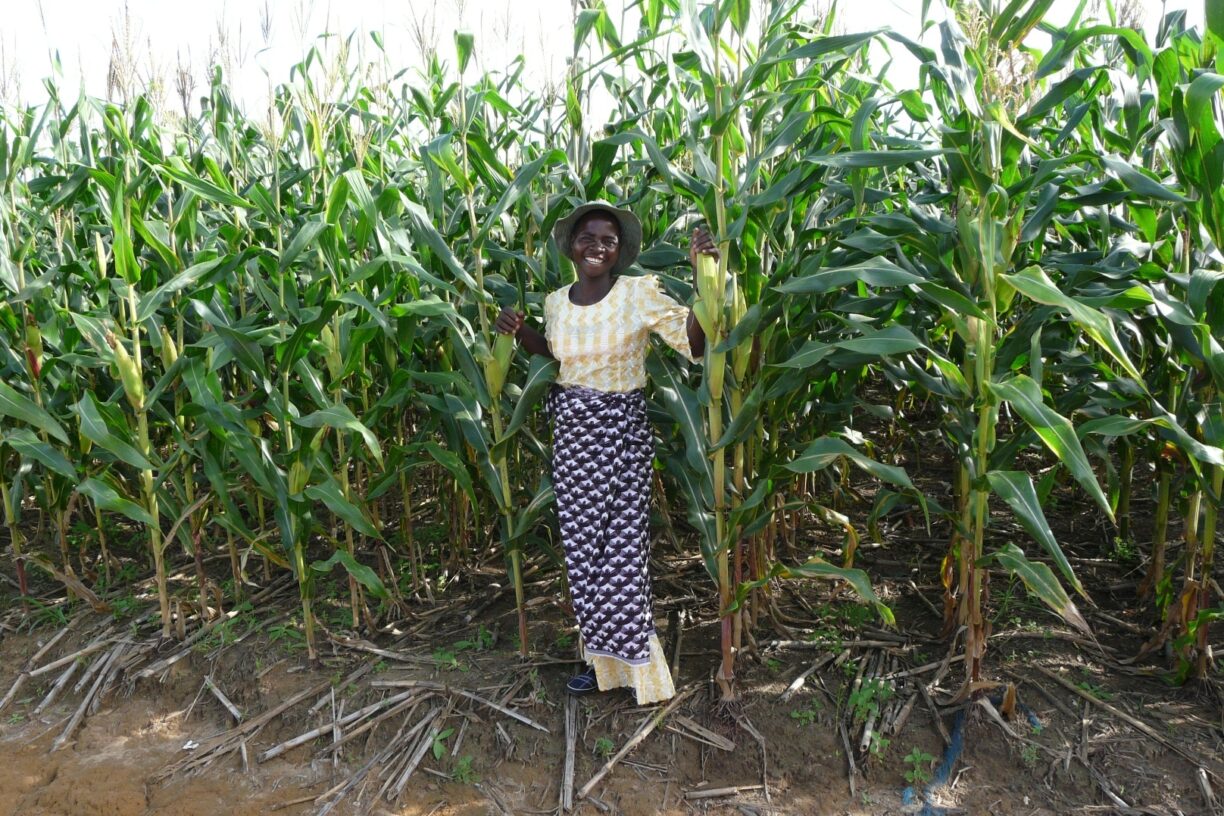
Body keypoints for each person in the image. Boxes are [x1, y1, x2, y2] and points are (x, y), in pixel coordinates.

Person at [495, 201, 719, 704]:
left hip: (621, 436)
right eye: (588, 237)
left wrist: (705, 277)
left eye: (608, 240)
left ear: (619, 253)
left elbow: (695, 344)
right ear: (571, 245)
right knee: (583, 557)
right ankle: (602, 668)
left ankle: (639, 673)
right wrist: (520, 332)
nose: (597, 245)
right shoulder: (556, 302)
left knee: (621, 555)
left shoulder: (635, 294)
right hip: (572, 439)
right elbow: (555, 354)